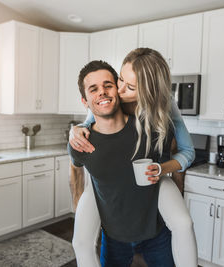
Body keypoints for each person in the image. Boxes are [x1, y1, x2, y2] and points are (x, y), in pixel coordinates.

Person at [70, 48, 198, 267]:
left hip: (153, 214)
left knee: (183, 224)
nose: (118, 89)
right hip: (113, 221)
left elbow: (188, 152)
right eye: (119, 79)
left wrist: (161, 168)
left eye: (129, 87)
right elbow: (92, 111)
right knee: (81, 242)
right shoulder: (109, 99)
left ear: (149, 93)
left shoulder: (164, 107)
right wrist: (77, 129)